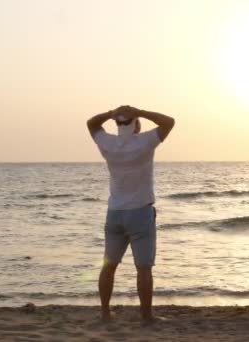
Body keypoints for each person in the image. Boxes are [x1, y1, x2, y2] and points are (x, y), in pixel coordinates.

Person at [87, 105, 175, 323]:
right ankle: (146, 316)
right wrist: (141, 111)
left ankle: (105, 313)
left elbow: (91, 123)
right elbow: (168, 121)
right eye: (138, 121)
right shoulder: (144, 141)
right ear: (136, 125)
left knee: (109, 265)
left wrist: (110, 114)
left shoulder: (108, 143)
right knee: (143, 268)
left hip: (115, 213)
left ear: (118, 125)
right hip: (140, 213)